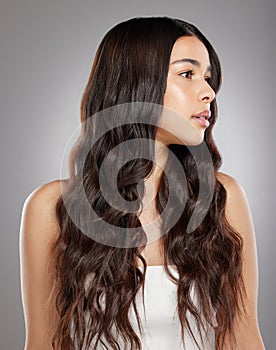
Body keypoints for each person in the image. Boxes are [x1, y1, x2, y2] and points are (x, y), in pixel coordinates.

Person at [19, 17, 265, 350]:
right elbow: (43, 344)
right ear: (137, 84)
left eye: (208, 78)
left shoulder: (223, 198)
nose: (208, 92)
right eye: (187, 74)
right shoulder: (51, 208)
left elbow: (243, 338)